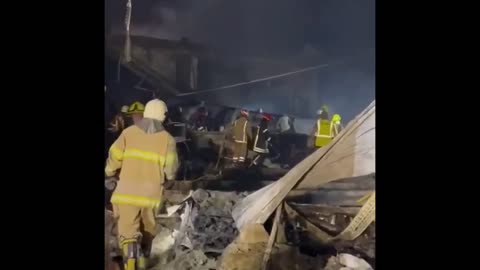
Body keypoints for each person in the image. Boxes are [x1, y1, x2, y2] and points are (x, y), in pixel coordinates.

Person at [105, 99, 179, 270]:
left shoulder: (128, 133)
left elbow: (113, 158)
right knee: (148, 231)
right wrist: (168, 179)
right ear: (163, 116)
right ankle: (144, 262)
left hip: (126, 194)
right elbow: (171, 169)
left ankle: (131, 266)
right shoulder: (167, 139)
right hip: (151, 196)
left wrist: (109, 172)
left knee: (128, 233)